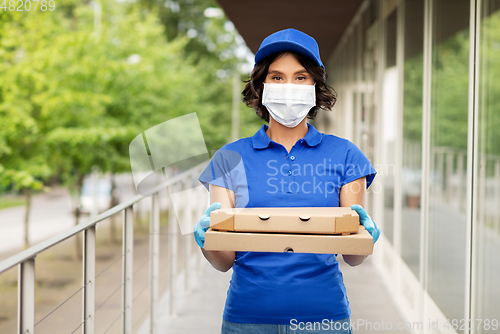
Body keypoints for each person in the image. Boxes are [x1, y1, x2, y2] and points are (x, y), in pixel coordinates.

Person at [194, 28, 380, 334]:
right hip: (247, 319)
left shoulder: (346, 156)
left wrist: (365, 236)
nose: (289, 86)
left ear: (315, 85)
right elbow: (223, 261)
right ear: (261, 85)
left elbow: (353, 257)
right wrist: (206, 240)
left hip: (324, 320)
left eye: (300, 77)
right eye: (277, 77)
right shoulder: (229, 159)